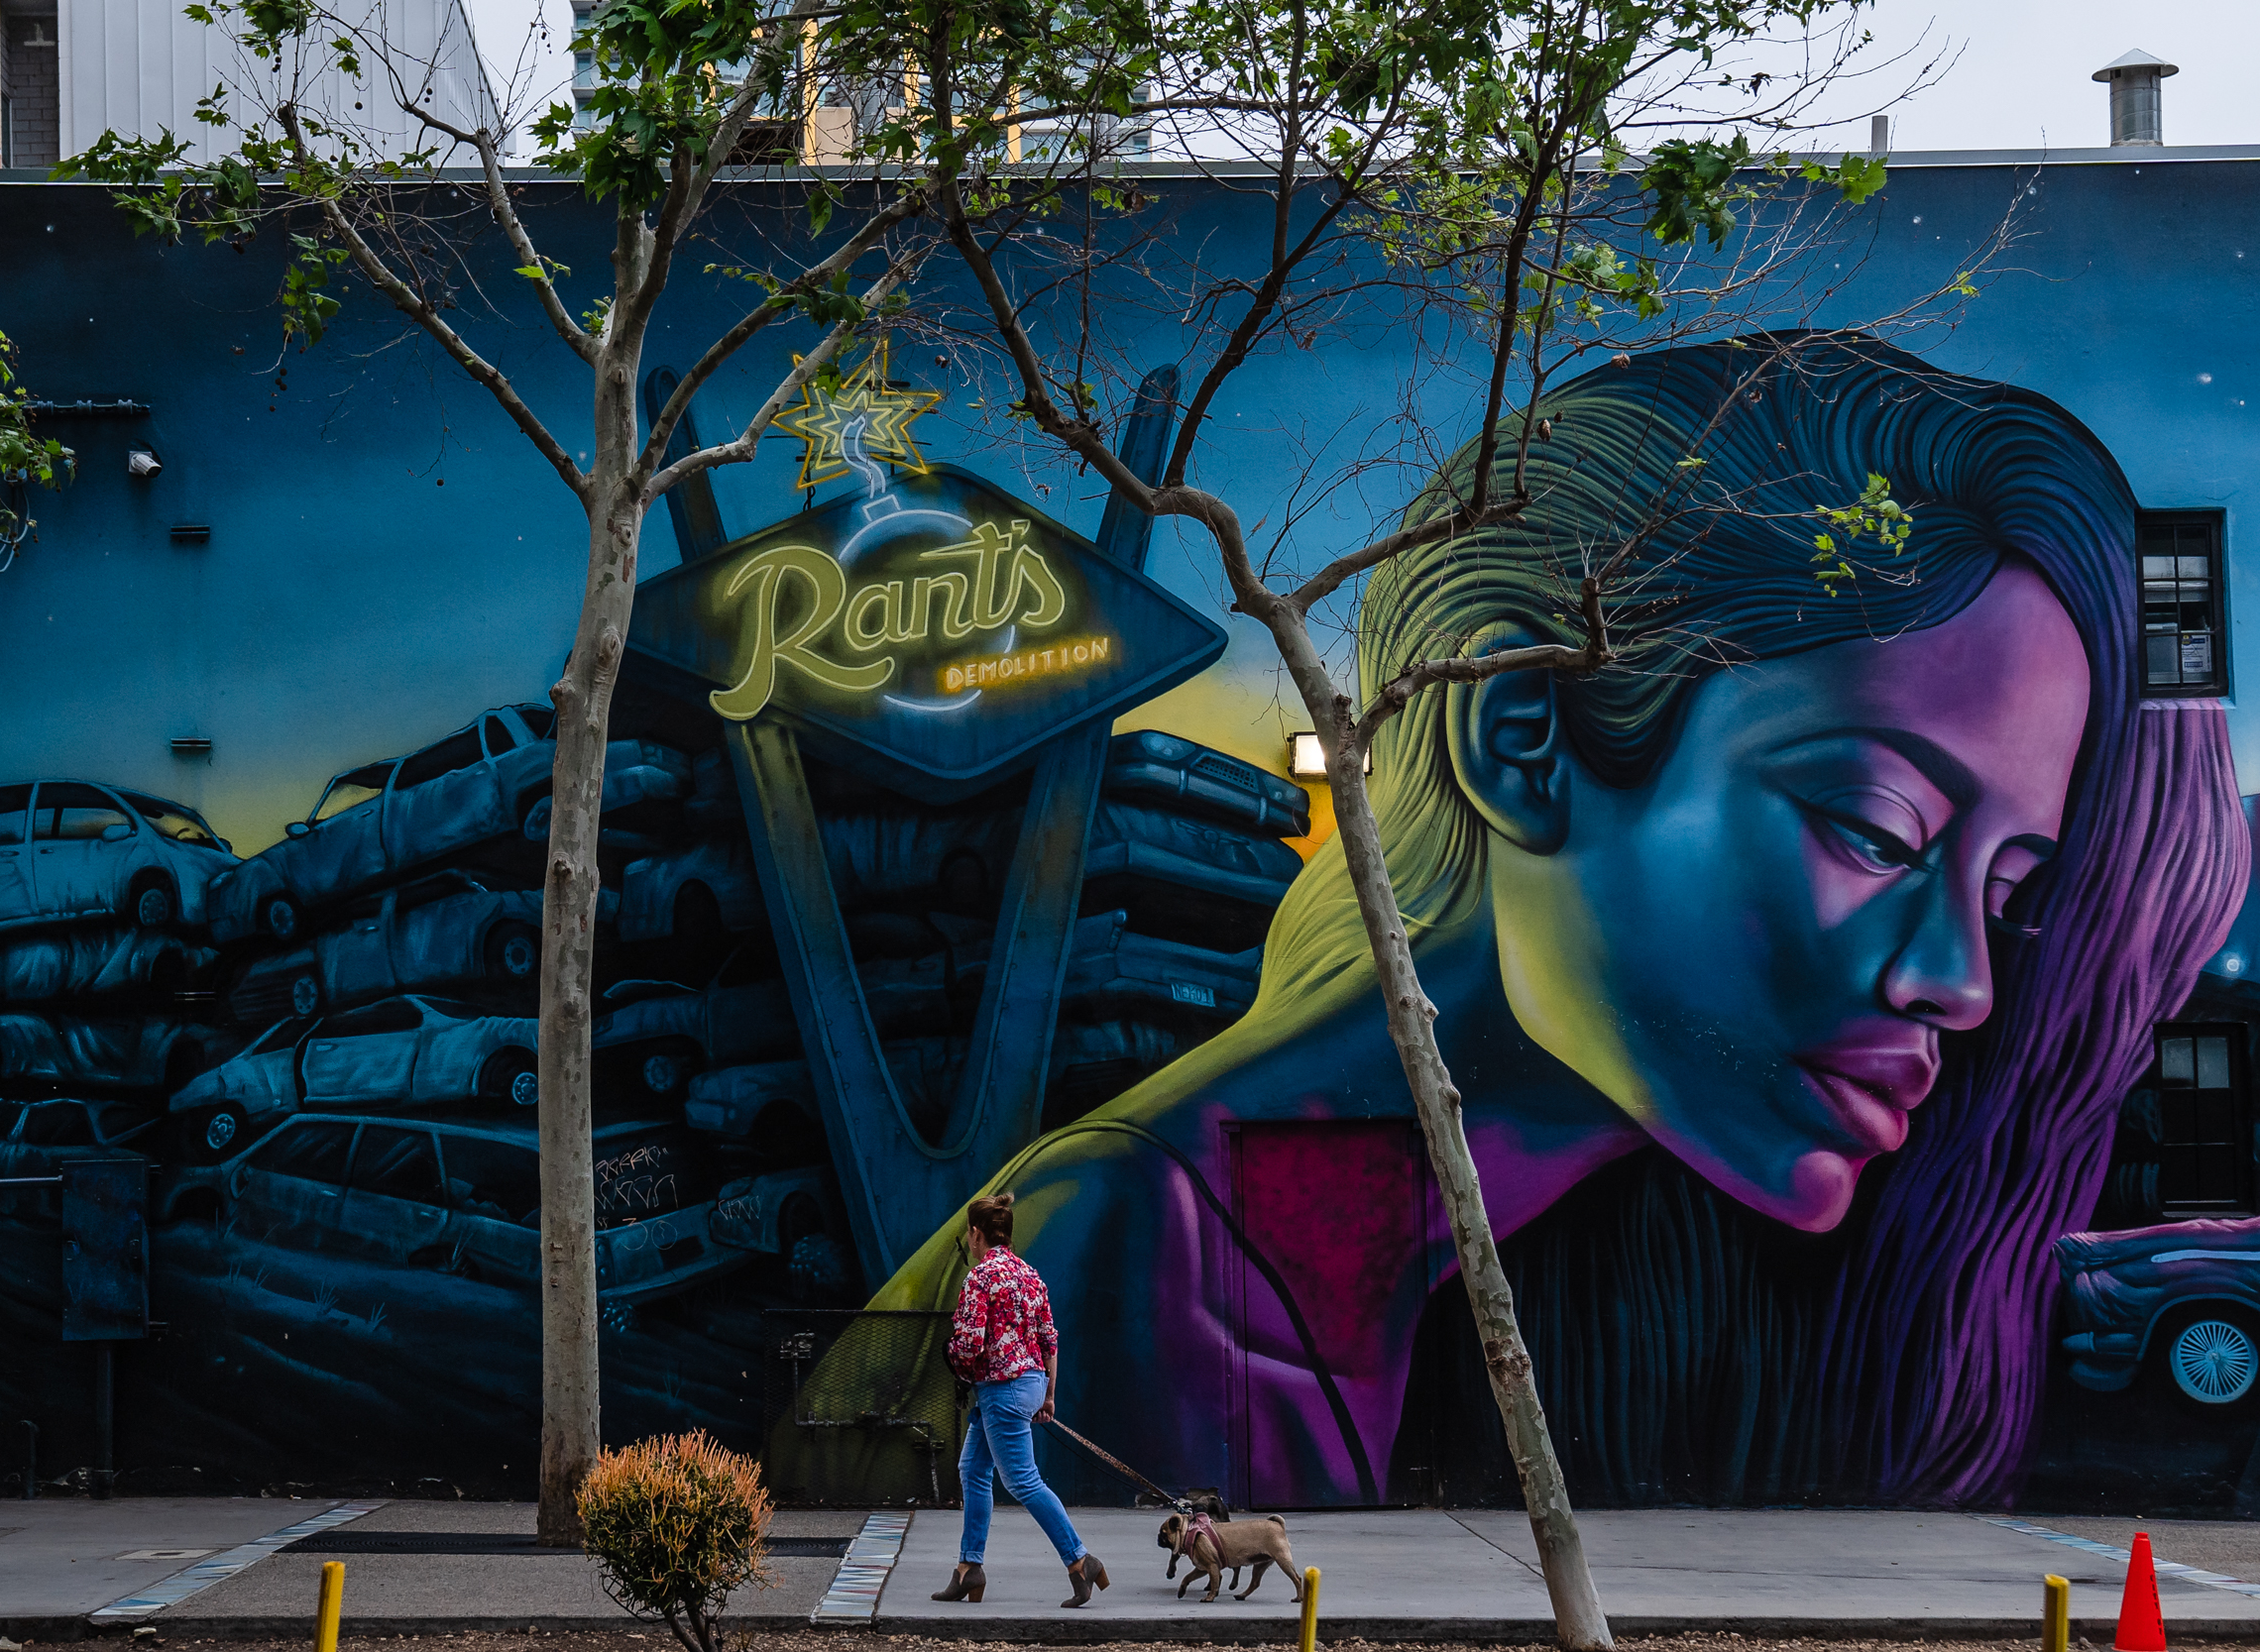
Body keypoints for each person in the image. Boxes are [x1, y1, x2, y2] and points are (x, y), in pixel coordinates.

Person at [865, 333, 2248, 1509]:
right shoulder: (1145, 1246)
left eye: (2007, 892)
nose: (1963, 982)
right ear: (1522, 739)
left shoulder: (1352, 1232)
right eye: (1877, 830)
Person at [929, 1192, 1108, 1607]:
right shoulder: (1030, 1274)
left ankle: (1081, 1560)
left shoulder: (981, 1278)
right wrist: (1048, 1395)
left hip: (1003, 1389)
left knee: (1022, 1480)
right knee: (973, 1468)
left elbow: (969, 1345)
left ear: (976, 1234)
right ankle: (968, 1568)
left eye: (968, 1235)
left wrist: (953, 1359)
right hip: (1030, 1384)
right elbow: (1050, 1339)